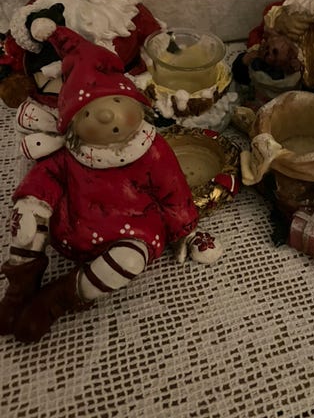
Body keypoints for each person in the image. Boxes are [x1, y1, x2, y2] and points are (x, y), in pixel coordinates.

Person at [0, 20, 222, 343]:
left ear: (134, 103)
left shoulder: (149, 149)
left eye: (116, 101)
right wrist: (34, 203)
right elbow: (45, 179)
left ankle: (58, 298)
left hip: (129, 231)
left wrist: (184, 231)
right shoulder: (72, 152)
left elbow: (173, 192)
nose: (107, 116)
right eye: (88, 111)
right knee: (26, 219)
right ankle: (21, 287)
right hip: (72, 225)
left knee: (129, 260)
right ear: (72, 123)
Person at [0, 0, 166, 134]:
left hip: (110, 100)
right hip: (49, 95)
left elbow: (154, 35)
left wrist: (163, 49)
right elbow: (18, 36)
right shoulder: (42, 2)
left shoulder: (128, 10)